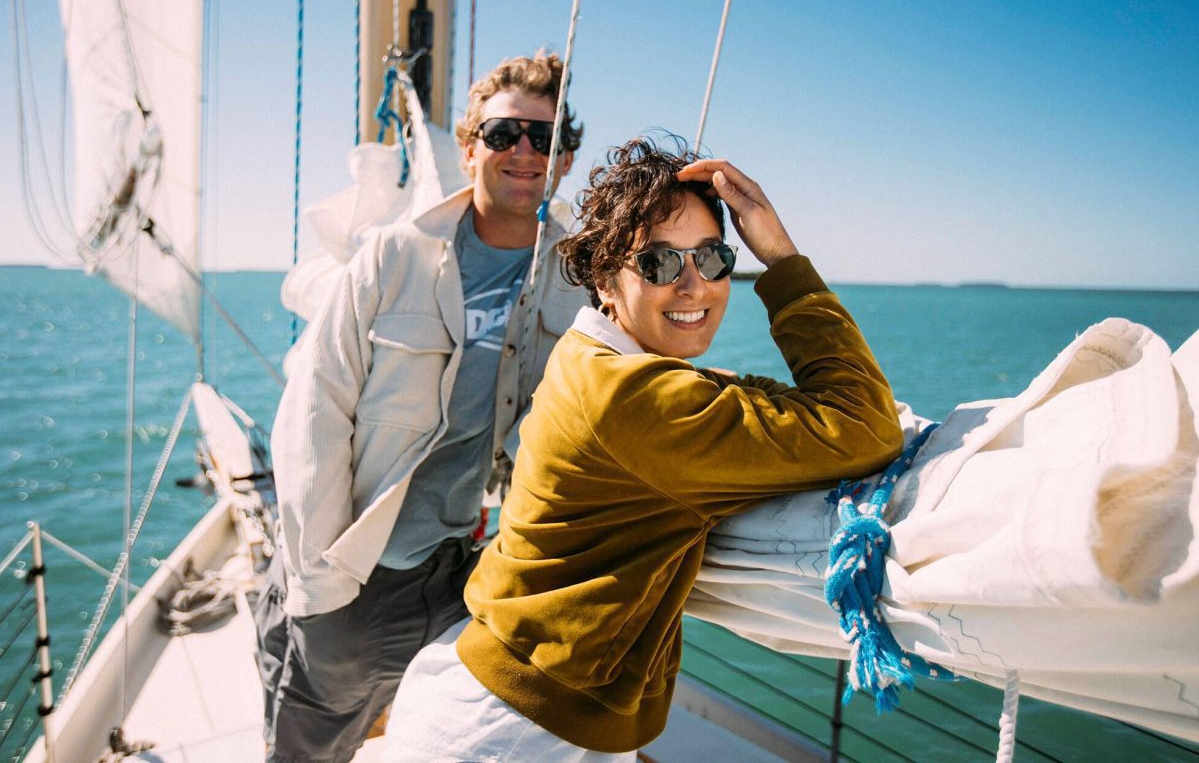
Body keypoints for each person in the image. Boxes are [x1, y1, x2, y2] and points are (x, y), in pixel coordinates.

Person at [382, 136, 905, 761]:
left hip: (510, 687)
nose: (693, 286)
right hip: (510, 731)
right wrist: (782, 258)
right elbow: (865, 423)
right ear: (605, 278)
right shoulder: (633, 398)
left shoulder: (590, 359)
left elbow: (706, 400)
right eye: (659, 264)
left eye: (712, 259)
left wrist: (735, 391)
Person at [254, 52, 588, 762]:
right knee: (309, 744)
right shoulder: (393, 257)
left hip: (465, 573)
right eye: (504, 134)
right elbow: (312, 414)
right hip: (360, 575)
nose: (524, 151)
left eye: (545, 138)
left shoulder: (579, 279)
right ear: (469, 148)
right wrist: (323, 586)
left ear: (562, 163)